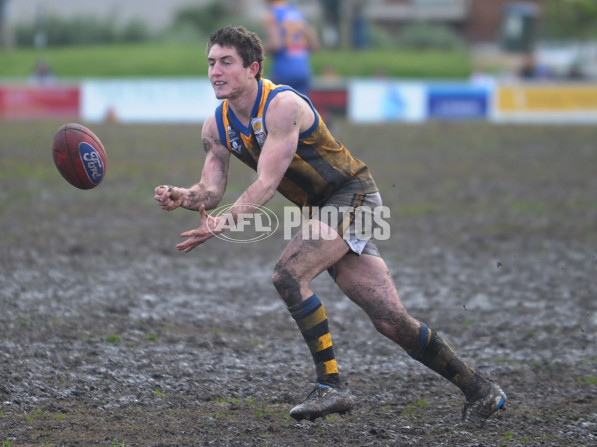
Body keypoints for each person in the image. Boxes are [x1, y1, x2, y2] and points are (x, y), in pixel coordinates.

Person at [154, 25, 507, 426]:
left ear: (253, 68)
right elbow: (211, 189)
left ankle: (331, 386)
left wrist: (221, 225)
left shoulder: (281, 106)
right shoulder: (215, 126)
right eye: (211, 63)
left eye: (226, 62)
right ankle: (481, 390)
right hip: (324, 210)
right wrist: (185, 196)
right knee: (390, 321)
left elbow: (267, 183)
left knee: (288, 275)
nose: (215, 71)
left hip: (354, 196)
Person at [262, 0, 319, 96]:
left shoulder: (271, 15)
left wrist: (254, 50)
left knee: (276, 107)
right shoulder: (297, 14)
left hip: (283, 70)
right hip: (303, 69)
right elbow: (314, 44)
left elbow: (276, 44)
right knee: (300, 108)